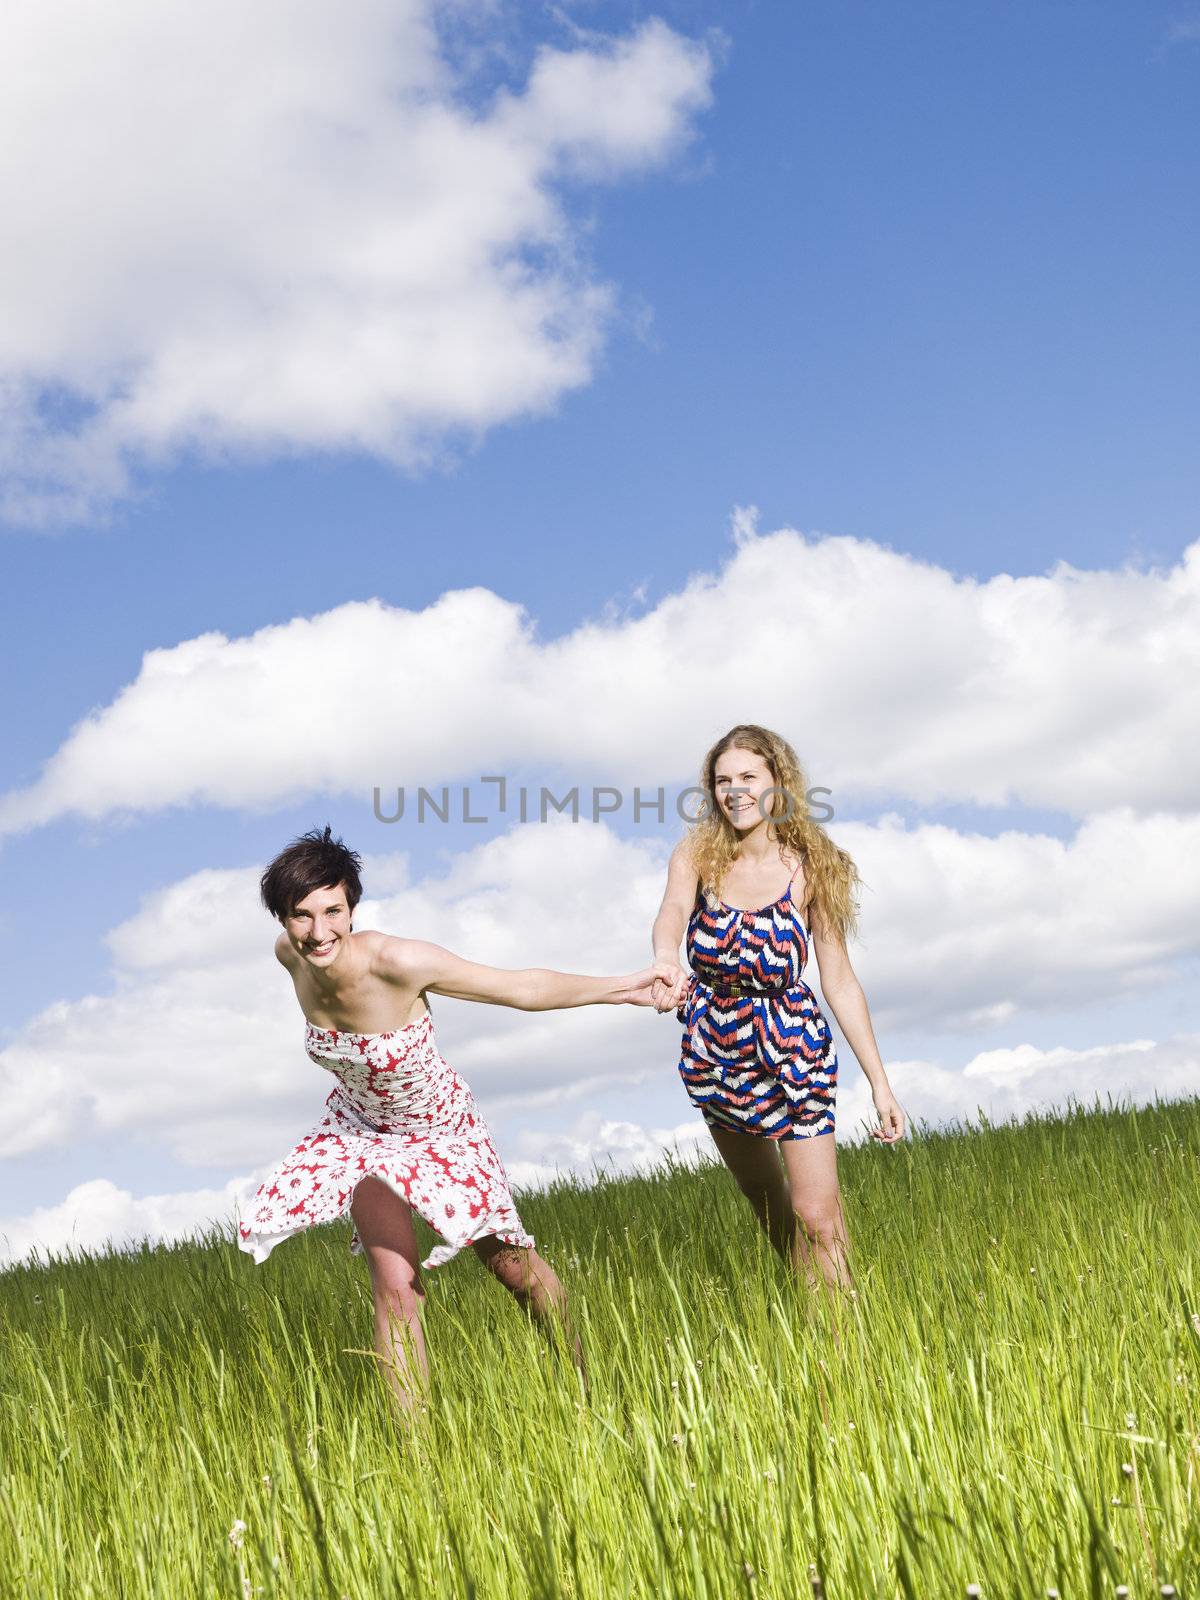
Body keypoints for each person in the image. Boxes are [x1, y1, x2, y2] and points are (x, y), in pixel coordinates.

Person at [238, 825, 665, 1418]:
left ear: (353, 908)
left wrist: (623, 989)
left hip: (441, 1129)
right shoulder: (291, 957)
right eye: (301, 915)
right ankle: (416, 1456)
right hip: (361, 1132)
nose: (318, 931)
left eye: (332, 910)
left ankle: (596, 1385)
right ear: (282, 921)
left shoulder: (399, 961)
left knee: (511, 1267)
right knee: (395, 1288)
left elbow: (519, 988)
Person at [649, 724, 905, 1299]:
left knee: (817, 1215)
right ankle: (816, 1317)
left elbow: (838, 978)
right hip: (717, 1051)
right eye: (722, 781)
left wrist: (880, 1085)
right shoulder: (697, 855)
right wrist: (667, 959)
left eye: (748, 777)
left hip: (795, 1051)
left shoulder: (814, 865)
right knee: (770, 1209)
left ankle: (845, 1349)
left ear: (777, 783)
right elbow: (670, 912)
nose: (734, 791)